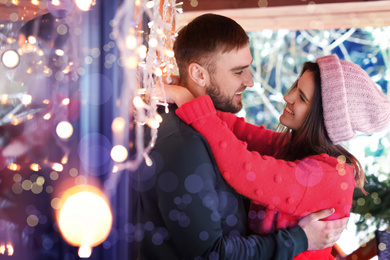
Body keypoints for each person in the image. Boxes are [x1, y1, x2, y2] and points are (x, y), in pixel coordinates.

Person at [133, 14, 348, 260]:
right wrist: (300, 239)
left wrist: (188, 100)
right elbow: (211, 254)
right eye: (239, 71)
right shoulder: (186, 144)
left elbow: (247, 154)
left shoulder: (321, 169)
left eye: (301, 97)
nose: (251, 81)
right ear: (199, 75)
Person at [166, 54, 390, 259]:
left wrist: (185, 98)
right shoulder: (296, 147)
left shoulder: (325, 175)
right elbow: (240, 131)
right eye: (295, 87)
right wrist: (186, 93)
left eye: (301, 98)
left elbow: (243, 169)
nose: (287, 96)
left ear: (323, 119)